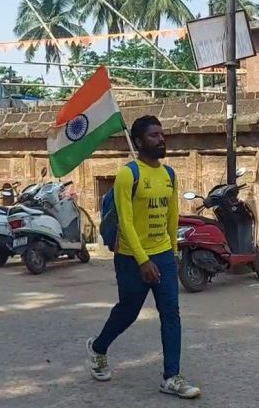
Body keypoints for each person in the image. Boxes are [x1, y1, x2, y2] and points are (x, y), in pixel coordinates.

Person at [86, 115, 201, 399]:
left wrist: (172, 253)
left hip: (162, 253)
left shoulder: (169, 175)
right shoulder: (128, 174)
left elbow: (172, 217)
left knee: (171, 314)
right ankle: (98, 348)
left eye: (161, 134)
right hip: (130, 258)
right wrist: (142, 260)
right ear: (138, 142)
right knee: (128, 311)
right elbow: (125, 222)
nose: (161, 139)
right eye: (153, 135)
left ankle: (171, 376)